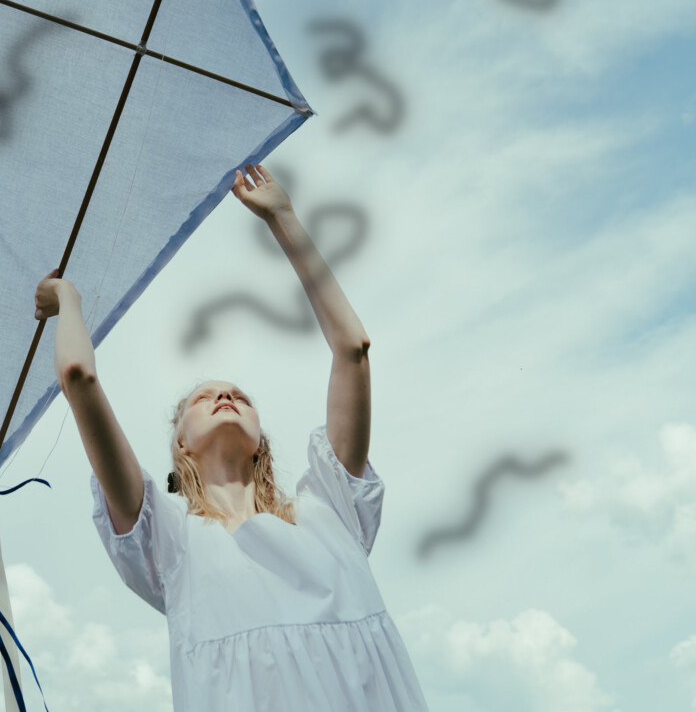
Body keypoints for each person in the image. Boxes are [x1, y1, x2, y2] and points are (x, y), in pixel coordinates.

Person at [33, 163, 428, 711]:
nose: (226, 397)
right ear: (181, 445)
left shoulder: (332, 510)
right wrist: (69, 301)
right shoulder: (167, 542)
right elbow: (79, 377)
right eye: (203, 398)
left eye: (241, 396)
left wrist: (284, 219)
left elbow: (353, 348)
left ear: (261, 440)